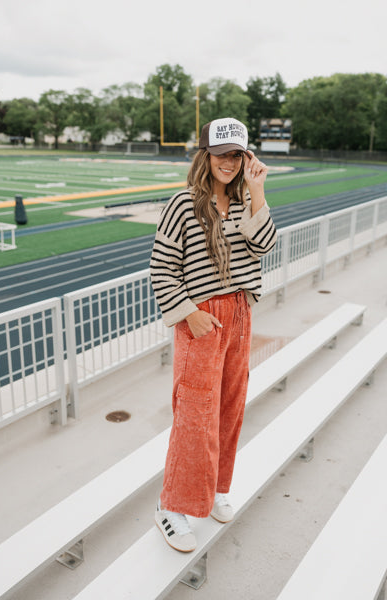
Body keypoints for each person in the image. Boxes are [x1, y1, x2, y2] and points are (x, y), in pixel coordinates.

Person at [150, 117, 277, 552]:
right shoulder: (183, 204)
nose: (229, 162)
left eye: (237, 154)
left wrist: (257, 189)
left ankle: (216, 488)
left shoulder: (245, 199)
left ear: (246, 157)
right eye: (221, 153)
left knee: (229, 408)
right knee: (194, 414)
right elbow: (162, 267)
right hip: (202, 319)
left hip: (239, 313)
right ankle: (171, 507)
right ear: (205, 155)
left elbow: (264, 246)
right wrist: (189, 313)